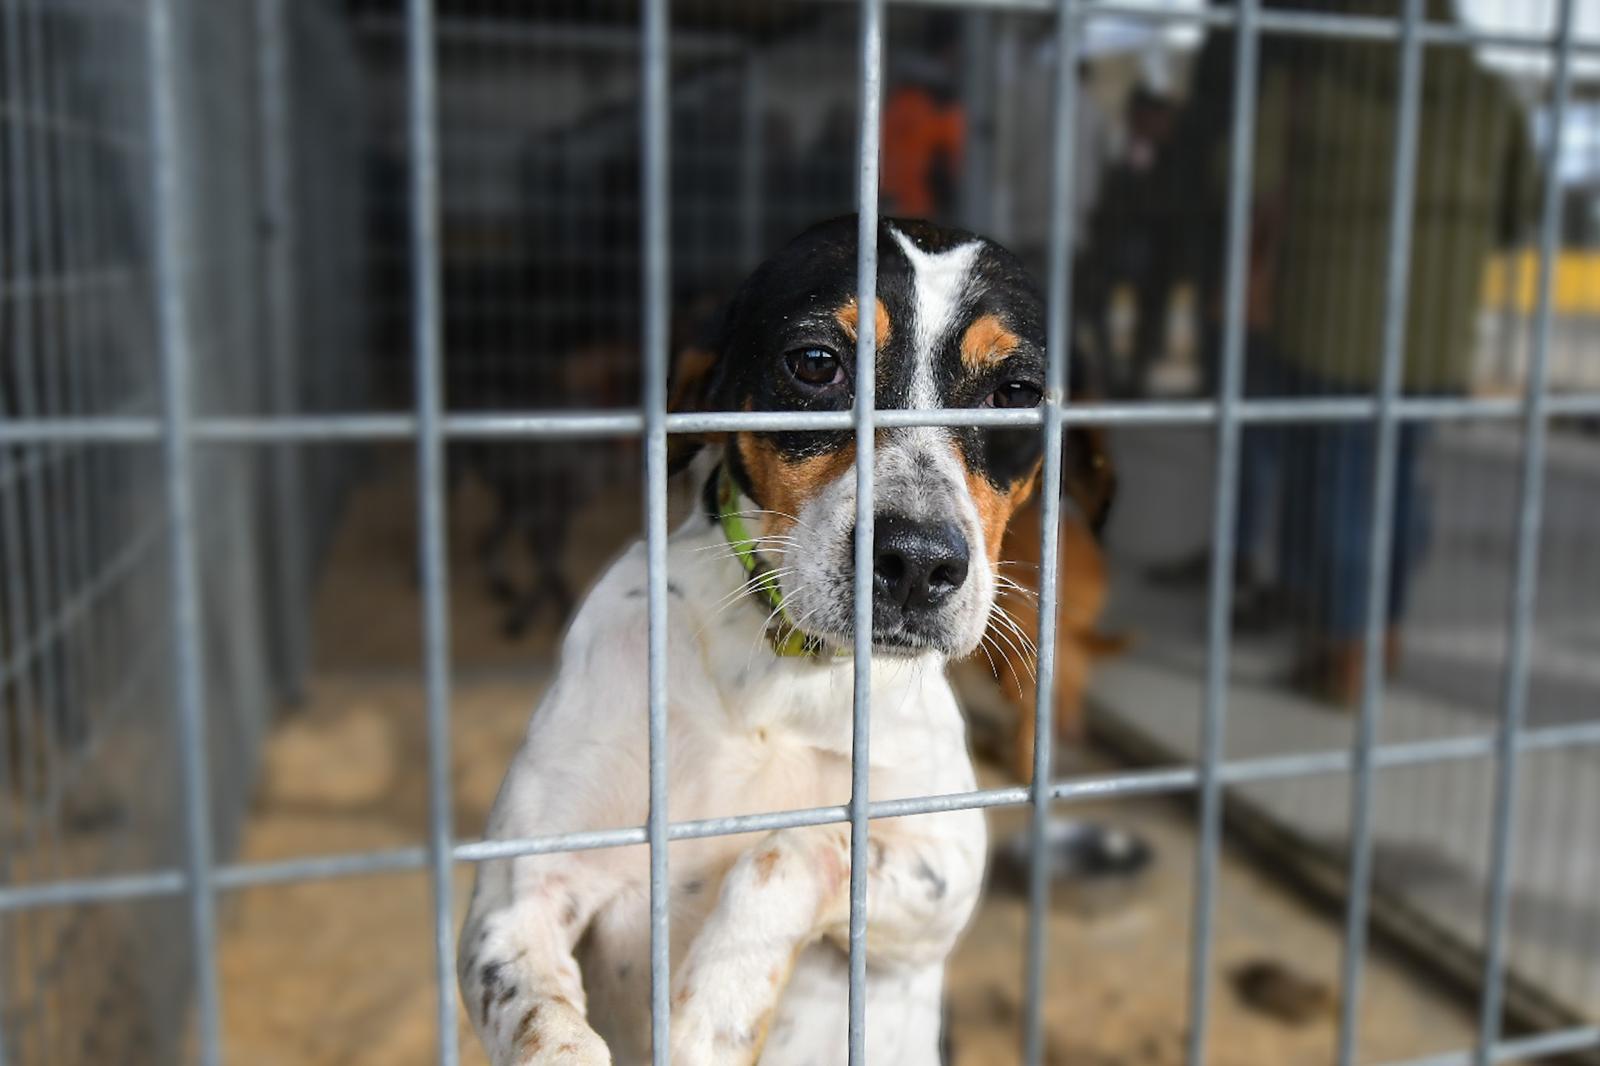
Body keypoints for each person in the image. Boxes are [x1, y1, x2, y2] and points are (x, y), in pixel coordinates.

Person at [1249, 0, 1539, 703]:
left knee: (1337, 486)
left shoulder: (1313, 73)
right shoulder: (1486, 94)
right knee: (1402, 481)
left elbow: (1247, 179)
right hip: (1436, 332)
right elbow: (1521, 206)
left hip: (1329, 322)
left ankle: (1346, 650)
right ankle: (1385, 632)